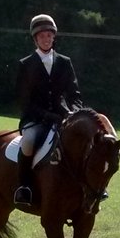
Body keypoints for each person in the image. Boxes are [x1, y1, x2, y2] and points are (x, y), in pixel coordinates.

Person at [14, 13, 82, 205]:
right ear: (35, 39)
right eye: (42, 36)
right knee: (27, 141)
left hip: (63, 117)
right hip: (35, 119)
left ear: (54, 37)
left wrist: (74, 112)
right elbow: (24, 101)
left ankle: (89, 187)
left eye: (49, 35)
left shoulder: (65, 62)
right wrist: (46, 116)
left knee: (82, 141)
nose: (46, 39)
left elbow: (74, 93)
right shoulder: (26, 64)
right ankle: (24, 186)